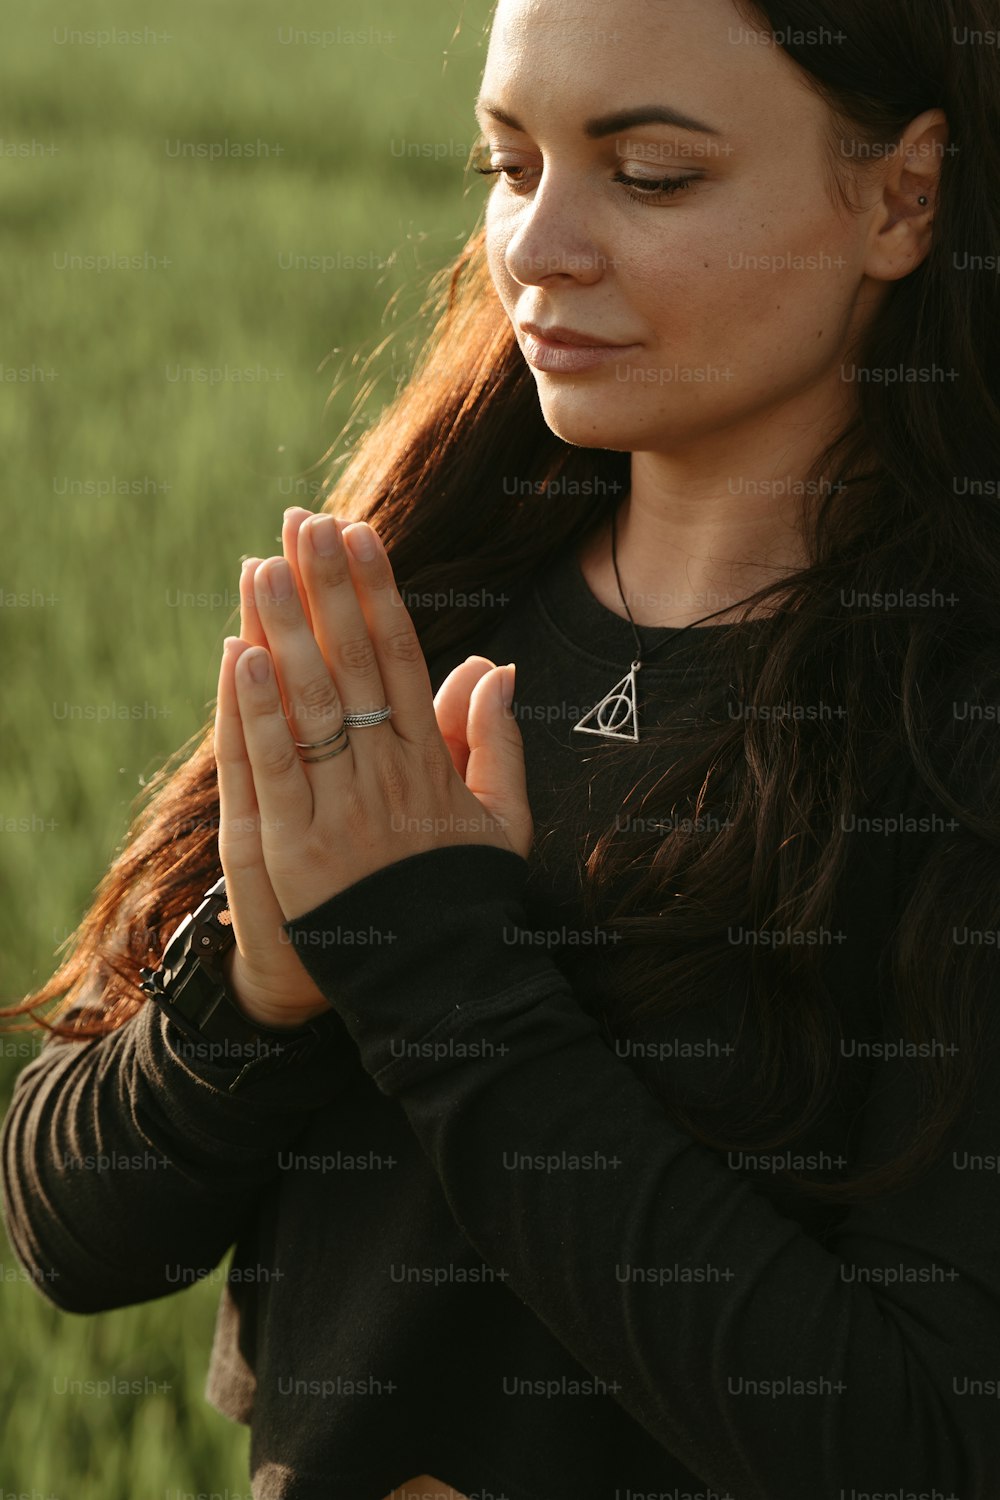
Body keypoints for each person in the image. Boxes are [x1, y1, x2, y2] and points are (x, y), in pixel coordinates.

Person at [4, 0, 1000, 1496]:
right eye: (507, 162)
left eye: (650, 174)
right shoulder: (432, 595)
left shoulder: (951, 742)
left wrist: (437, 977)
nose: (536, 245)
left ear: (901, 196)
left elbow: (923, 1444)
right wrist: (260, 993)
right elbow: (70, 1225)